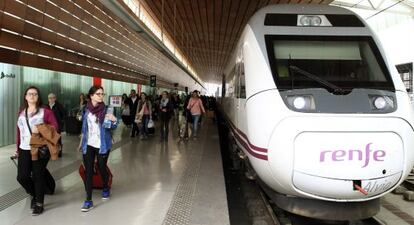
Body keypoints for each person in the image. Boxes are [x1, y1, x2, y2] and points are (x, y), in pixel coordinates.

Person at [16, 86, 59, 216]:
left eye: (35, 94)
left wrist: (40, 128)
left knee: (37, 175)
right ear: (25, 96)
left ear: (38, 97)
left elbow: (55, 127)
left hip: (40, 148)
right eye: (30, 94)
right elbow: (19, 132)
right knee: (22, 177)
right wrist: (17, 149)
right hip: (24, 148)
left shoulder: (45, 112)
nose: (32, 96)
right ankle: (34, 194)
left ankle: (39, 204)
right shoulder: (22, 112)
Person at [79, 86, 118, 212]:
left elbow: (112, 126)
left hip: (102, 144)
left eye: (102, 94)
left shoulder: (107, 109)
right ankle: (88, 200)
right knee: (88, 171)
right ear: (91, 96)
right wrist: (81, 142)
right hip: (89, 144)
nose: (101, 96)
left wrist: (114, 120)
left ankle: (105, 187)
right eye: (98, 94)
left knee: (101, 167)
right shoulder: (86, 109)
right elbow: (84, 128)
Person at [47, 93, 66, 157]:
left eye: (52, 98)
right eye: (50, 98)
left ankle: (59, 152)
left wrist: (61, 123)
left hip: (57, 126)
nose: (51, 99)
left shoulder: (58, 106)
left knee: (58, 139)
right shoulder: (47, 106)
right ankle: (51, 152)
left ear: (55, 98)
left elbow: (64, 113)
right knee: (50, 139)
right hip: (49, 126)